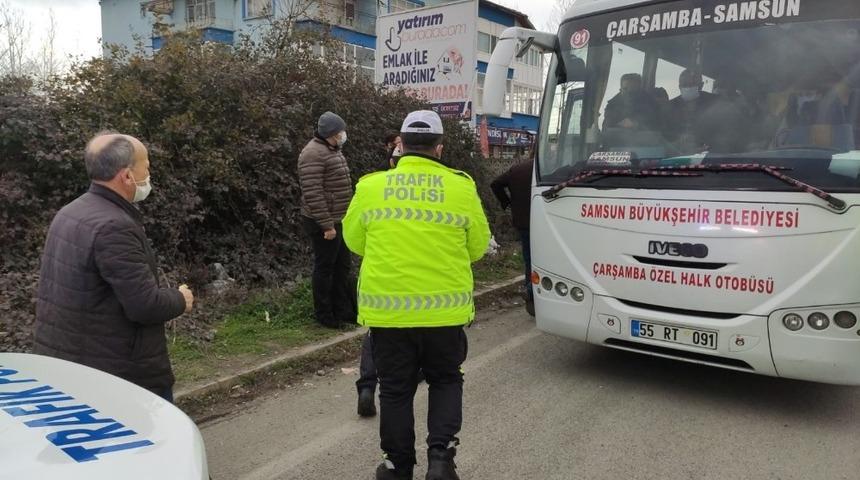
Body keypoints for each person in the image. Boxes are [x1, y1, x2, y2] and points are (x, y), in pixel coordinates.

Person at [343, 110, 491, 480]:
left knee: (394, 390)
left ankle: (397, 466)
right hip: (445, 313)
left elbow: (353, 241)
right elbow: (476, 248)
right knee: (445, 380)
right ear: (439, 148)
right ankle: (441, 459)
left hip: (388, 314)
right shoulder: (461, 186)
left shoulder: (371, 186)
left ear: (401, 145)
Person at [33, 132, 194, 402]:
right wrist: (180, 299)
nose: (149, 173)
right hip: (118, 377)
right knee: (151, 442)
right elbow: (145, 305)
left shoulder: (70, 212)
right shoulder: (113, 226)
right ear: (127, 176)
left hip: (68, 366)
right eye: (146, 166)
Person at [357, 132, 406, 418]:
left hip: (382, 283)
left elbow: (355, 238)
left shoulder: (374, 188)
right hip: (418, 287)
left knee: (376, 337)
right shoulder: (430, 193)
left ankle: (367, 387)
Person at [298, 111, 357, 329]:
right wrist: (327, 225)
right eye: (341, 131)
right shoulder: (313, 153)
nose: (344, 134)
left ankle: (342, 310)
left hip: (339, 219)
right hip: (324, 222)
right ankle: (324, 314)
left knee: (342, 266)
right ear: (331, 133)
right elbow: (313, 193)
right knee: (325, 268)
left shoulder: (332, 149)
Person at [490, 159, 535, 316]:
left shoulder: (517, 169)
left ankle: (531, 295)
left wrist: (507, 202)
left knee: (529, 259)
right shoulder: (548, 169)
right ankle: (532, 291)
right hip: (547, 222)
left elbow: (495, 184)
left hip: (523, 222)